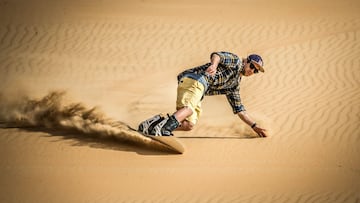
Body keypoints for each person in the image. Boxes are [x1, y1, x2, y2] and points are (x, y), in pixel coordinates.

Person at [138, 51, 268, 138]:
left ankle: (153, 124)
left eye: (255, 71)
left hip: (199, 89)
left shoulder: (234, 85)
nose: (252, 70)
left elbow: (240, 111)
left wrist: (255, 127)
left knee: (189, 125)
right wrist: (214, 65)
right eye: (252, 66)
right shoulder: (237, 62)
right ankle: (164, 129)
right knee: (188, 109)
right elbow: (218, 55)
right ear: (246, 61)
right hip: (196, 79)